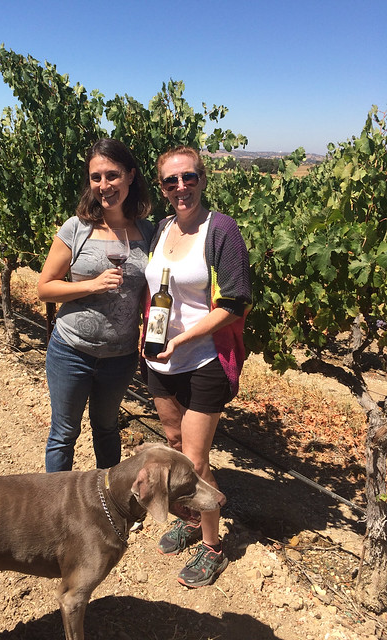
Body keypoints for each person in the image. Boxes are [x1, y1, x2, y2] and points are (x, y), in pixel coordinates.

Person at [143, 145, 252, 588]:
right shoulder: (161, 229)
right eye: (171, 181)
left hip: (202, 357)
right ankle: (189, 520)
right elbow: (153, 291)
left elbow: (235, 303)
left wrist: (183, 338)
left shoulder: (221, 229)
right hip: (157, 357)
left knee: (195, 459)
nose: (181, 187)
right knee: (171, 440)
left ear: (202, 179)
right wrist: (145, 330)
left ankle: (213, 545)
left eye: (188, 177)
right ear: (163, 188)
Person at [38, 138, 153, 472]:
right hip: (71, 351)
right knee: (64, 434)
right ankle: (56, 514)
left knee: (106, 429)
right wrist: (91, 284)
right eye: (96, 177)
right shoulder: (76, 229)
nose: (104, 185)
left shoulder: (148, 232)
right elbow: (44, 288)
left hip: (120, 358)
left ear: (131, 176)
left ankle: (107, 506)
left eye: (112, 175)